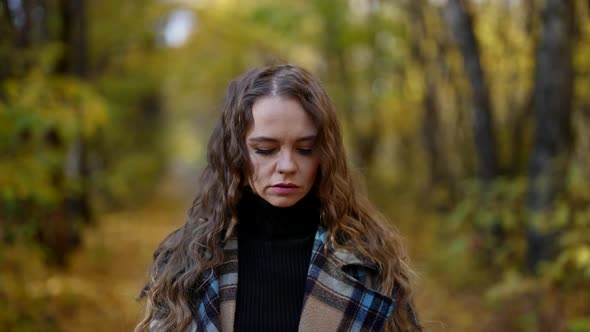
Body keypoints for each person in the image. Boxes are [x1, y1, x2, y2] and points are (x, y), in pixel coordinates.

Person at [135, 64, 420, 332]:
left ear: (325, 156)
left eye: (306, 149)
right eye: (265, 149)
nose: (287, 165)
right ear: (235, 153)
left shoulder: (368, 261)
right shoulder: (188, 261)